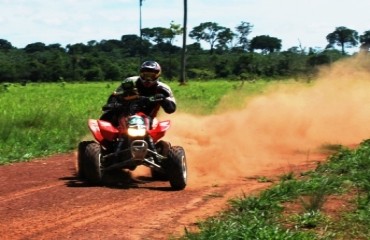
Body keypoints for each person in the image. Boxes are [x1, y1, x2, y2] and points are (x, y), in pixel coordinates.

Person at [100, 61, 176, 126]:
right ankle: (103, 141)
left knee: (158, 130)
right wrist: (112, 104)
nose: (148, 79)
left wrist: (163, 99)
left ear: (158, 75)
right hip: (125, 113)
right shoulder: (130, 82)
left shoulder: (163, 88)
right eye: (145, 75)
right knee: (107, 115)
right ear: (141, 74)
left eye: (151, 76)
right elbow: (115, 95)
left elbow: (171, 109)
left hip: (148, 117)